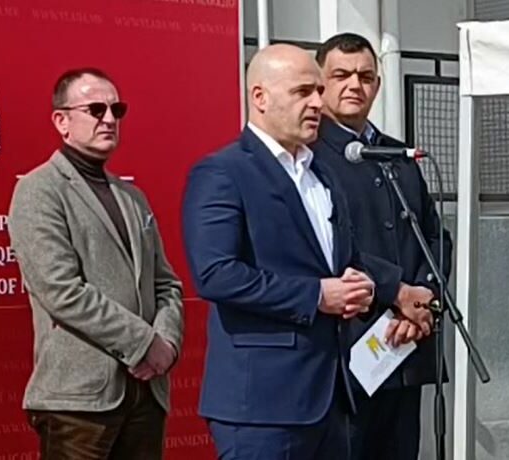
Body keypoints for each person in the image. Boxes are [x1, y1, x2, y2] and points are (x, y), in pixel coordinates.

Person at [182, 43, 415, 460]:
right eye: (302, 92)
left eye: (318, 91)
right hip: (263, 406)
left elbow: (341, 258)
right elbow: (216, 275)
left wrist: (370, 285)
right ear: (260, 97)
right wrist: (317, 295)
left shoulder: (321, 173)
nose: (317, 103)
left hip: (332, 397)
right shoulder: (223, 172)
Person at [8, 67, 184, 460]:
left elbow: (167, 284)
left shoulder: (132, 197)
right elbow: (60, 290)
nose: (109, 119)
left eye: (116, 110)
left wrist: (167, 344)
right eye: (95, 109)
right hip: (79, 401)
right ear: (62, 121)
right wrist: (143, 343)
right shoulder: (38, 190)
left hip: (146, 395)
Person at [312, 33, 454, 460]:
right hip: (350, 349)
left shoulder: (396, 154)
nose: (354, 85)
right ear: (321, 82)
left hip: (408, 344)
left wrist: (425, 300)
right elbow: (330, 245)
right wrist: (396, 296)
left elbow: (434, 236)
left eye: (365, 76)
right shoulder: (310, 156)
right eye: (341, 75)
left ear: (377, 84)